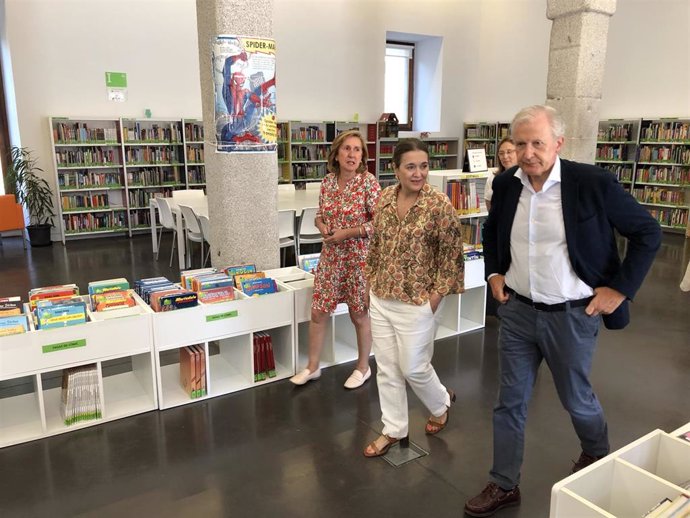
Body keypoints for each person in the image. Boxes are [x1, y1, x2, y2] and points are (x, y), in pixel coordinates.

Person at [464, 105, 662, 517]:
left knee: (576, 399)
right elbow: (492, 230)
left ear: (558, 142)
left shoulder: (591, 183)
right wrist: (494, 272)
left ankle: (597, 455)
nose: (528, 152)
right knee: (509, 403)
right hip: (517, 312)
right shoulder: (506, 185)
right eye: (521, 143)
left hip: (572, 315)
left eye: (538, 142)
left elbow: (648, 232)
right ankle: (504, 483)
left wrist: (619, 290)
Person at [362, 138, 464, 457]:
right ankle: (393, 428)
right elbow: (376, 244)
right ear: (396, 169)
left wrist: (434, 297)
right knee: (388, 368)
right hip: (381, 296)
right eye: (411, 166)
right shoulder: (384, 199)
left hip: (417, 300)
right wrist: (369, 281)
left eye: (423, 166)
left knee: (414, 367)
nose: (419, 173)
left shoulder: (439, 205)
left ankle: (440, 402)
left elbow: (452, 255)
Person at [290, 130, 381, 389]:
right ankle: (312, 366)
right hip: (330, 256)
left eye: (357, 150)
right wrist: (320, 224)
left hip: (358, 258)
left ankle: (363, 368)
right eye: (347, 149)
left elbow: (380, 223)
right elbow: (320, 214)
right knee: (319, 311)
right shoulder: (328, 182)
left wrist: (349, 233)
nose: (351, 154)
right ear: (337, 153)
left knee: (359, 314)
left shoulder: (368, 183)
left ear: (362, 156)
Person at [485, 137, 517, 212]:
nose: (505, 157)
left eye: (509, 152)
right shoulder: (493, 178)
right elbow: (490, 208)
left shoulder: (526, 178)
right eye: (501, 153)